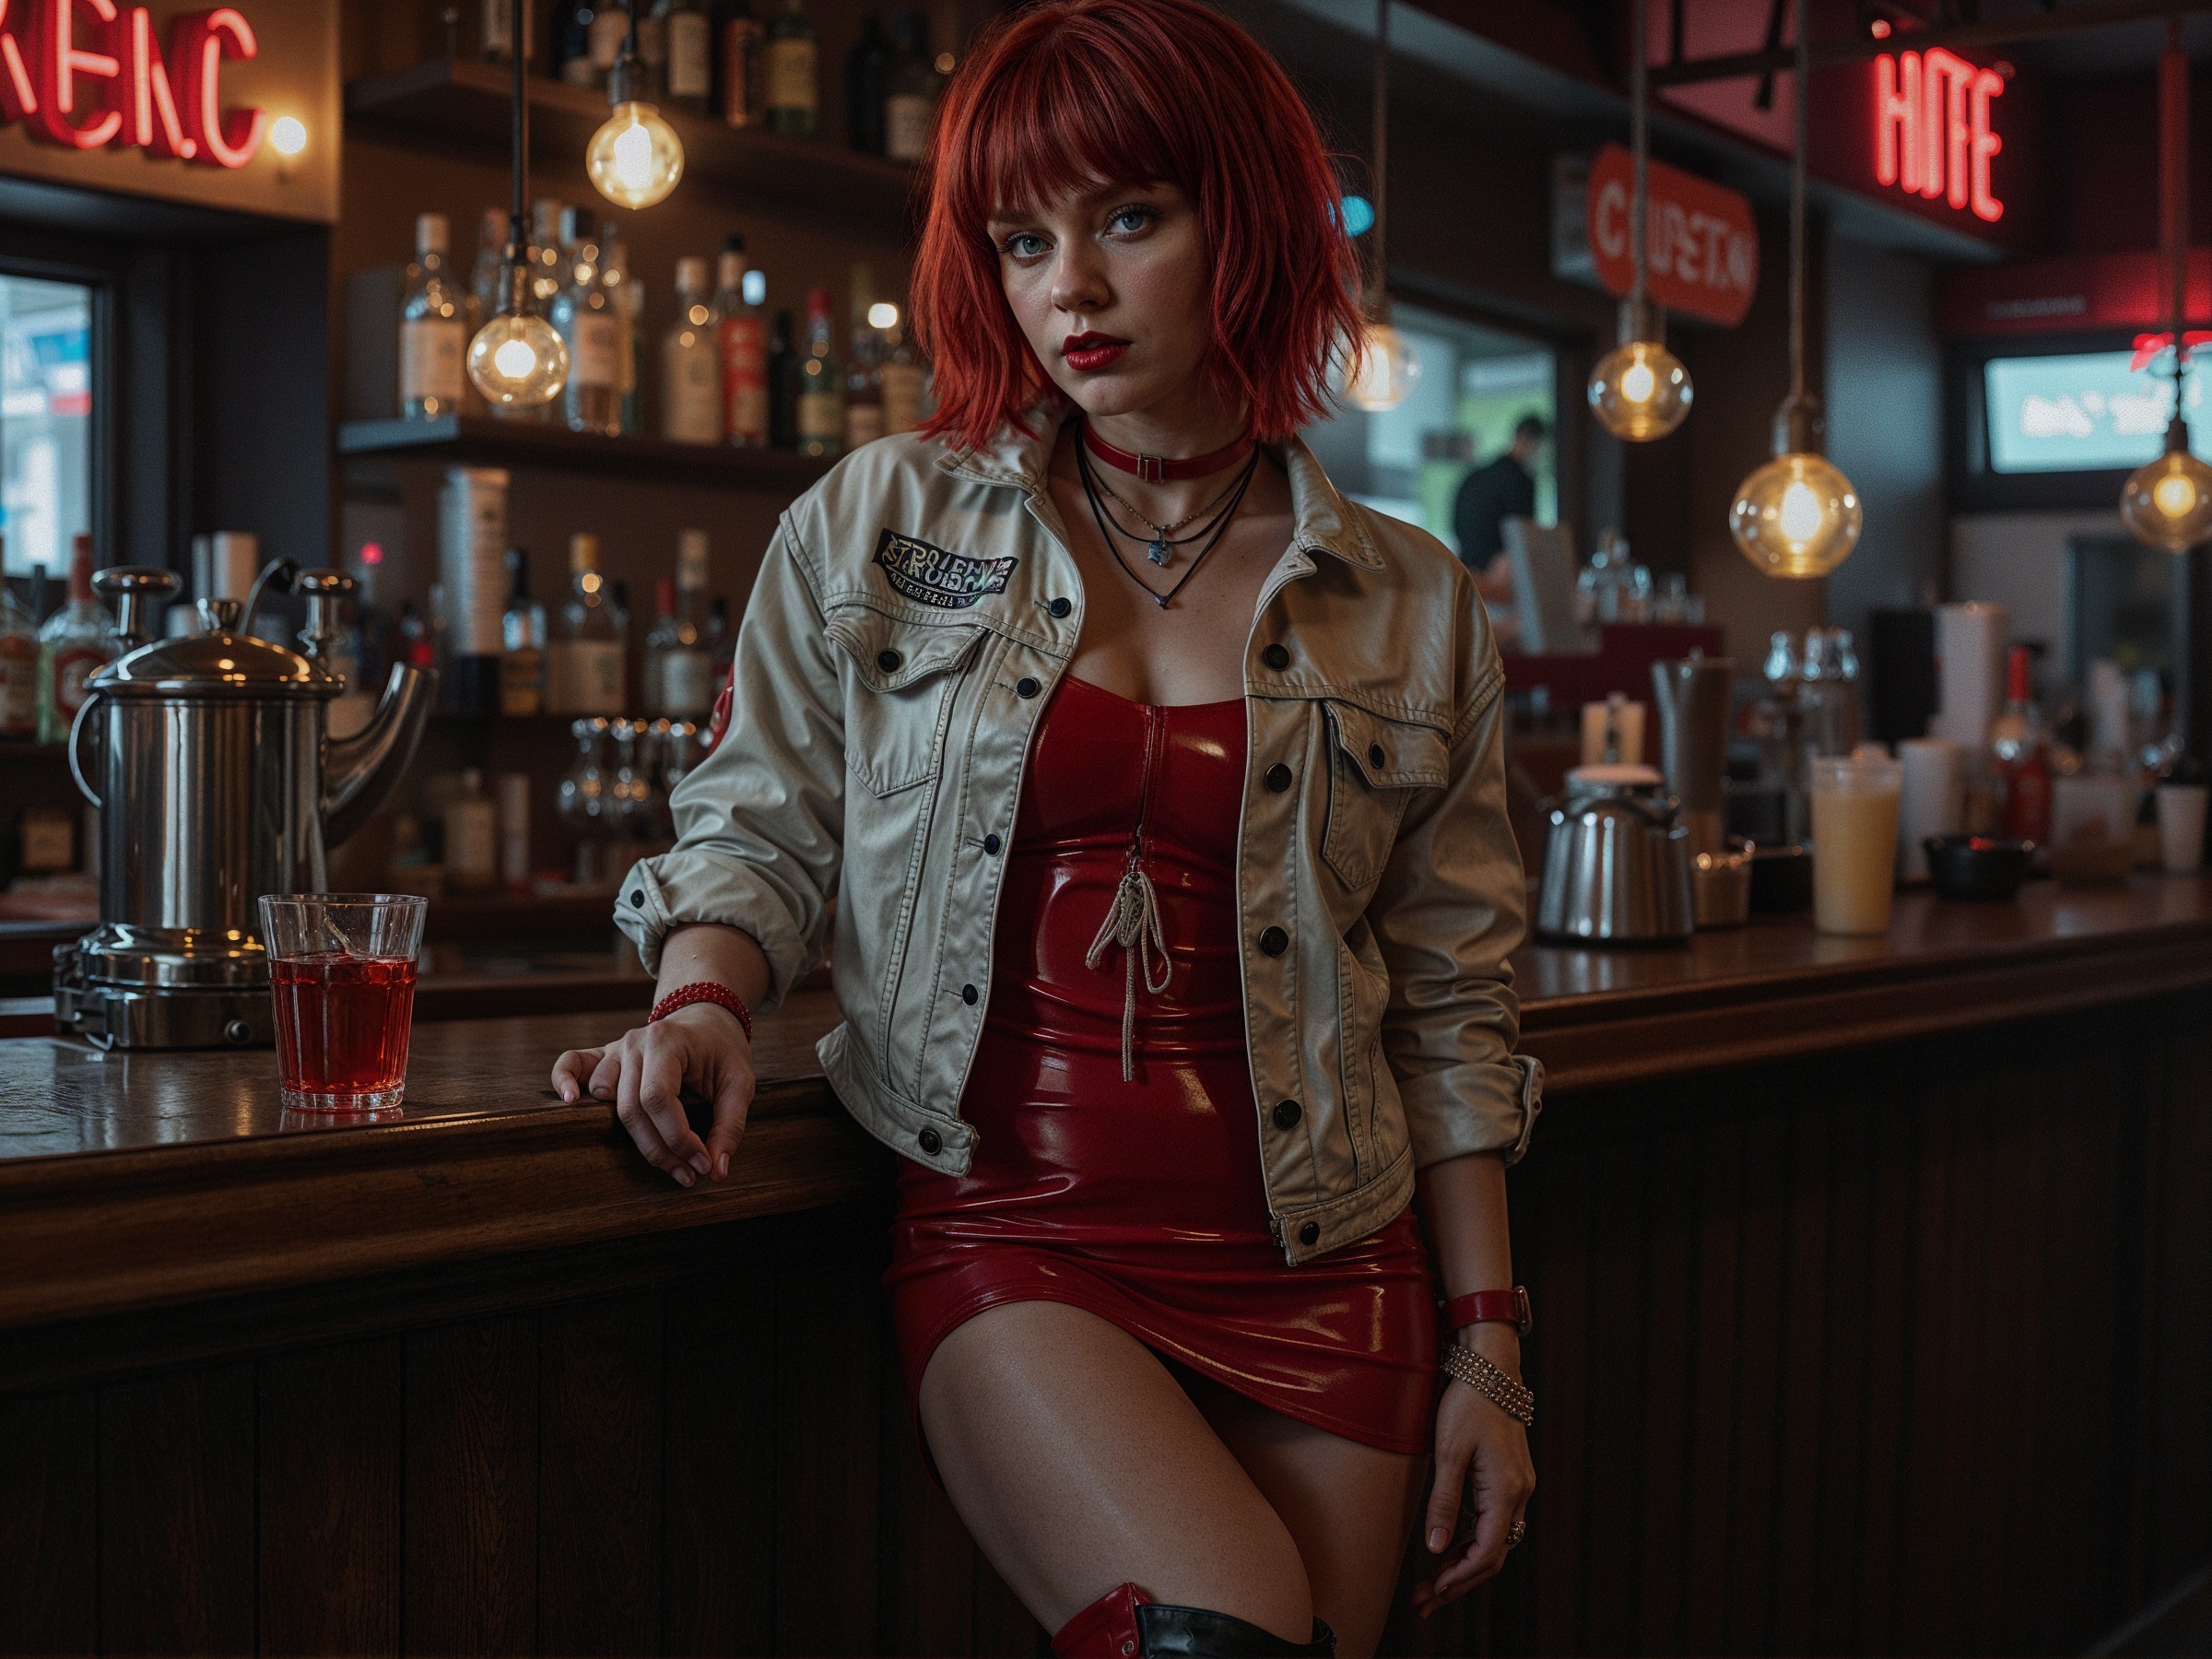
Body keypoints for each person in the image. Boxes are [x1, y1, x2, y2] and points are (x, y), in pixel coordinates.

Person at [551, 1, 1541, 1652]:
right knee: (1219, 1636)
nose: (1067, 286)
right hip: (1020, 1223)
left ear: (1246, 223)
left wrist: (1491, 1350)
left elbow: (1455, 1006)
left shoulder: (1413, 601)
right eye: (1023, 240)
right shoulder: (878, 519)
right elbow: (757, 822)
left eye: (1128, 219)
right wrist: (701, 993)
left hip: (1327, 1258)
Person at [1452, 414, 1547, 604]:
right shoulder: (1521, 482)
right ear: (1531, 441)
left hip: (1468, 573)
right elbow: (1521, 536)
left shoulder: (1475, 477)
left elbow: (1456, 526)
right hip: (1500, 577)